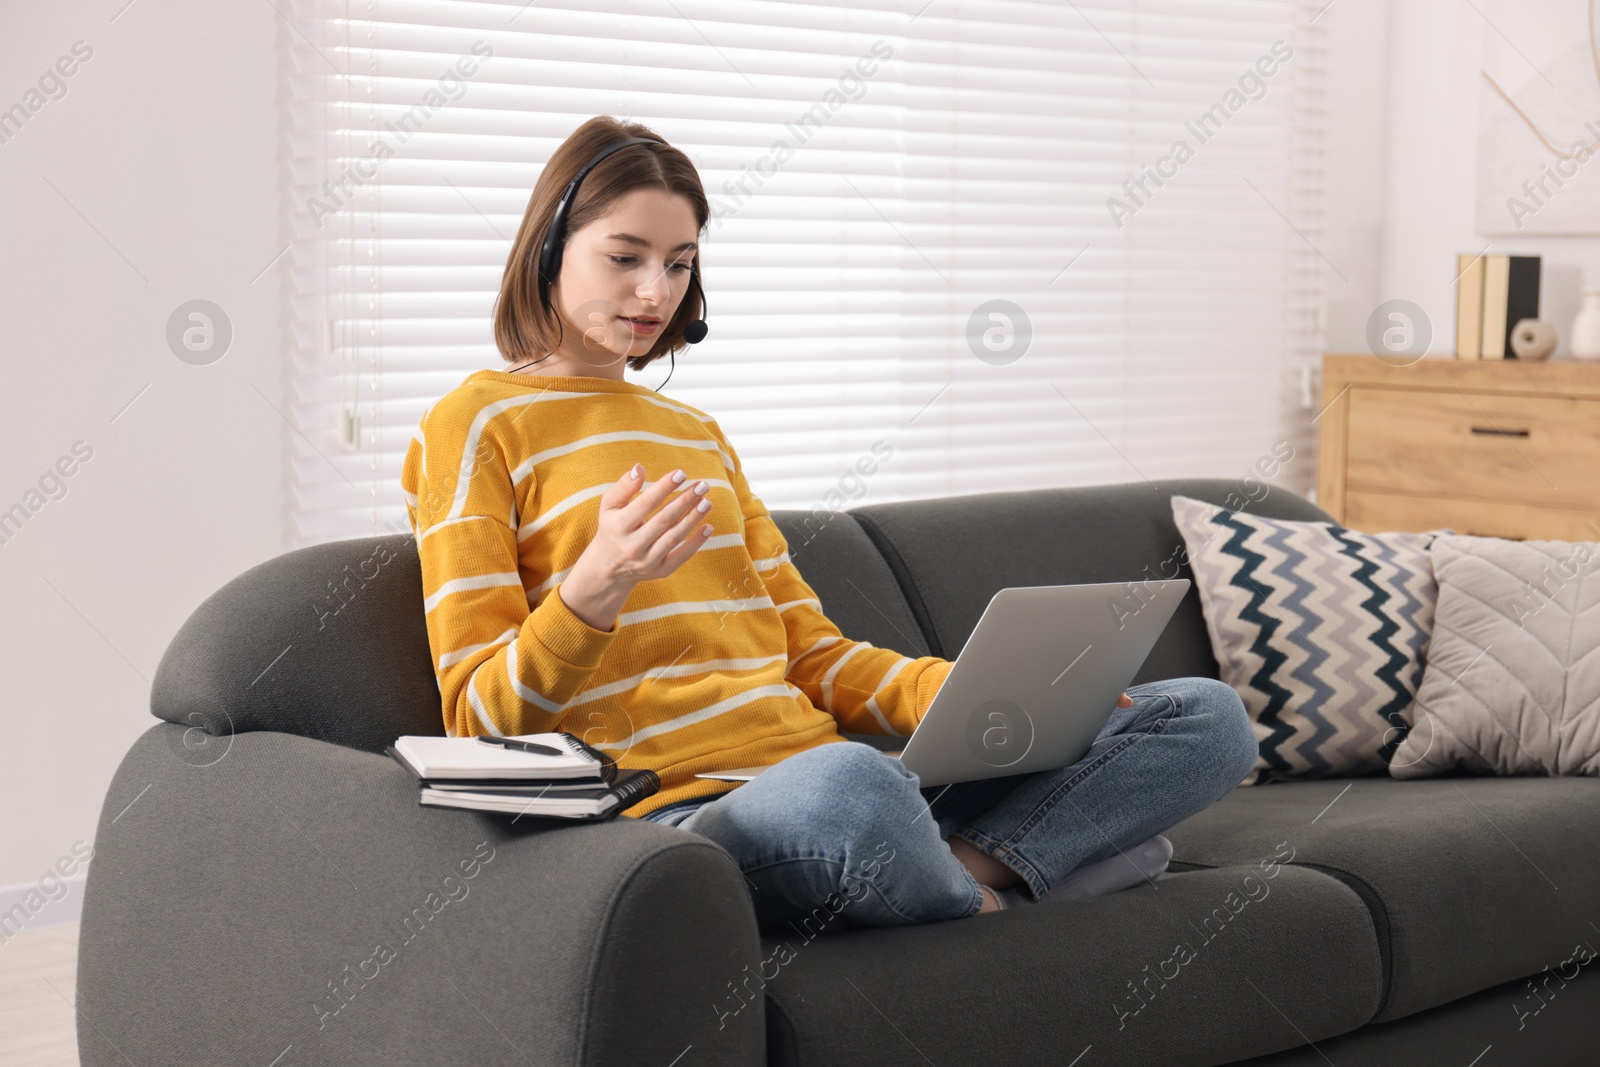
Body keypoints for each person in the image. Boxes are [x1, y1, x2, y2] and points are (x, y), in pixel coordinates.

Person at [401, 115, 1260, 932]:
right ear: (549, 247)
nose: (654, 291)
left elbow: (812, 657)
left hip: (854, 781)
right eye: (625, 256)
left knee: (1203, 715)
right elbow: (482, 726)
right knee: (848, 788)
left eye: (680, 262)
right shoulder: (474, 428)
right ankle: (1009, 892)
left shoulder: (696, 435)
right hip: (692, 816)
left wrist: (985, 695)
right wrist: (595, 587)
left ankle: (957, 869)